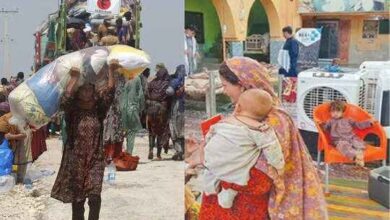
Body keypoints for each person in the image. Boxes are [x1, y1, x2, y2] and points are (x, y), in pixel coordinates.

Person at [199, 57, 327, 220]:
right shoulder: (251, 113)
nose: (224, 91)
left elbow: (261, 180)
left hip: (245, 210)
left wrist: (215, 164)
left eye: (225, 85)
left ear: (243, 86)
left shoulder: (274, 122)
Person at [51, 61, 118, 220]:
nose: (87, 93)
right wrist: (74, 78)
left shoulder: (98, 109)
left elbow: (110, 93)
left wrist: (111, 70)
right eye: (84, 90)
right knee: (78, 199)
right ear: (78, 92)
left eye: (90, 89)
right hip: (76, 160)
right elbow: (65, 100)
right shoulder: (72, 110)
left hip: (95, 159)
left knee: (95, 197)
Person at [203, 89, 285, 210]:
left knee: (211, 172)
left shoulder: (225, 121)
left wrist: (209, 146)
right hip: (234, 171)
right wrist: (279, 166)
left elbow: (210, 134)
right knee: (240, 171)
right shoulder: (260, 129)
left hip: (211, 161)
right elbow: (272, 149)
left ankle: (211, 187)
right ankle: (229, 192)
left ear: (238, 107)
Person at [321, 100, 373, 167]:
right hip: (339, 140)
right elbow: (325, 129)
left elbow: (358, 125)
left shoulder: (348, 119)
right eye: (333, 111)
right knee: (344, 147)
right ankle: (355, 156)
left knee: (358, 144)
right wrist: (322, 125)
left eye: (338, 111)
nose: (335, 113)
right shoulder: (330, 121)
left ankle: (359, 153)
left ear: (342, 112)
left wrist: (369, 122)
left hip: (352, 138)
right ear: (330, 112)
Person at [146, 64, 171, 160]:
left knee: (151, 131)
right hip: (161, 110)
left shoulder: (152, 82)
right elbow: (169, 97)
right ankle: (158, 155)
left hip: (151, 108)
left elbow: (147, 93)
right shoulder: (166, 83)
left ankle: (150, 150)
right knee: (160, 131)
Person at [0, 112, 31, 183]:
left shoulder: (15, 122)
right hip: (12, 140)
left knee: (20, 159)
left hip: (21, 139)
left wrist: (12, 137)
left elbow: (24, 135)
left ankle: (19, 179)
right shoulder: (2, 123)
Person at [120, 73, 144, 156]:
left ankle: (118, 153)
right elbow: (141, 95)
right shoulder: (136, 78)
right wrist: (141, 108)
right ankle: (128, 153)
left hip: (119, 109)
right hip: (132, 109)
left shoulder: (120, 76)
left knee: (119, 132)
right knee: (131, 132)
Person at [167, 65, 186, 161]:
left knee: (175, 130)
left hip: (177, 109)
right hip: (183, 109)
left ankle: (179, 151)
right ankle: (183, 152)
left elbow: (169, 92)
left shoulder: (175, 81)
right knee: (182, 132)